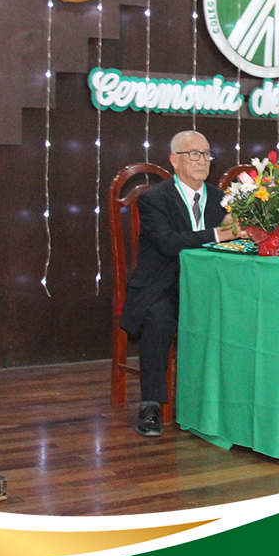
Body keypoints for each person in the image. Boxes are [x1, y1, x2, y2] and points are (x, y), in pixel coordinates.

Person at [117, 131, 238, 437]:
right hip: (163, 285)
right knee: (159, 319)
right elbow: (168, 243)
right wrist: (219, 234)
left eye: (206, 154)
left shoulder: (223, 200)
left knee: (242, 311)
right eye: (194, 154)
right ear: (174, 160)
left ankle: (228, 404)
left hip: (209, 287)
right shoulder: (154, 199)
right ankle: (150, 405)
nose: (202, 161)